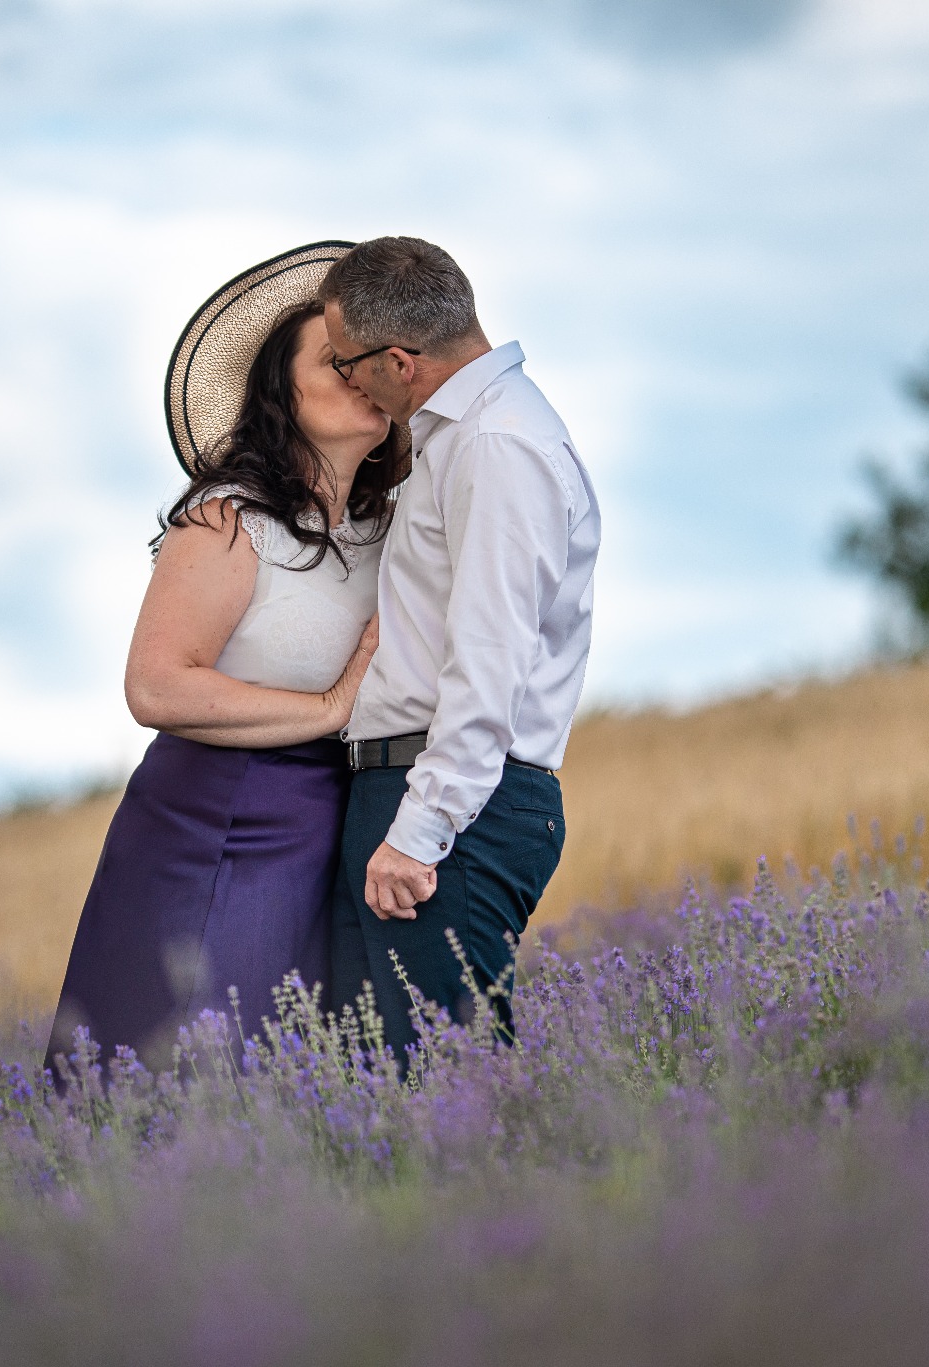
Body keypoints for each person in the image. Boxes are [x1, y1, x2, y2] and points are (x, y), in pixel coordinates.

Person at [45, 242, 404, 1074]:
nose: (362, 375)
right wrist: (328, 709)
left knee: (294, 1074)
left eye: (371, 360)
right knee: (180, 1068)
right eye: (335, 361)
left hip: (332, 824)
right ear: (280, 389)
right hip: (212, 823)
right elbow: (155, 685)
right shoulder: (228, 518)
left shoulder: (391, 531)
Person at [320, 237, 600, 1059]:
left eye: (345, 363)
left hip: (454, 803)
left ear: (399, 363)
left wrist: (423, 827)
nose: (345, 381)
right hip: (423, 790)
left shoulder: (495, 443)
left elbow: (490, 658)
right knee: (389, 1084)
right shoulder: (464, 437)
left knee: (449, 1086)